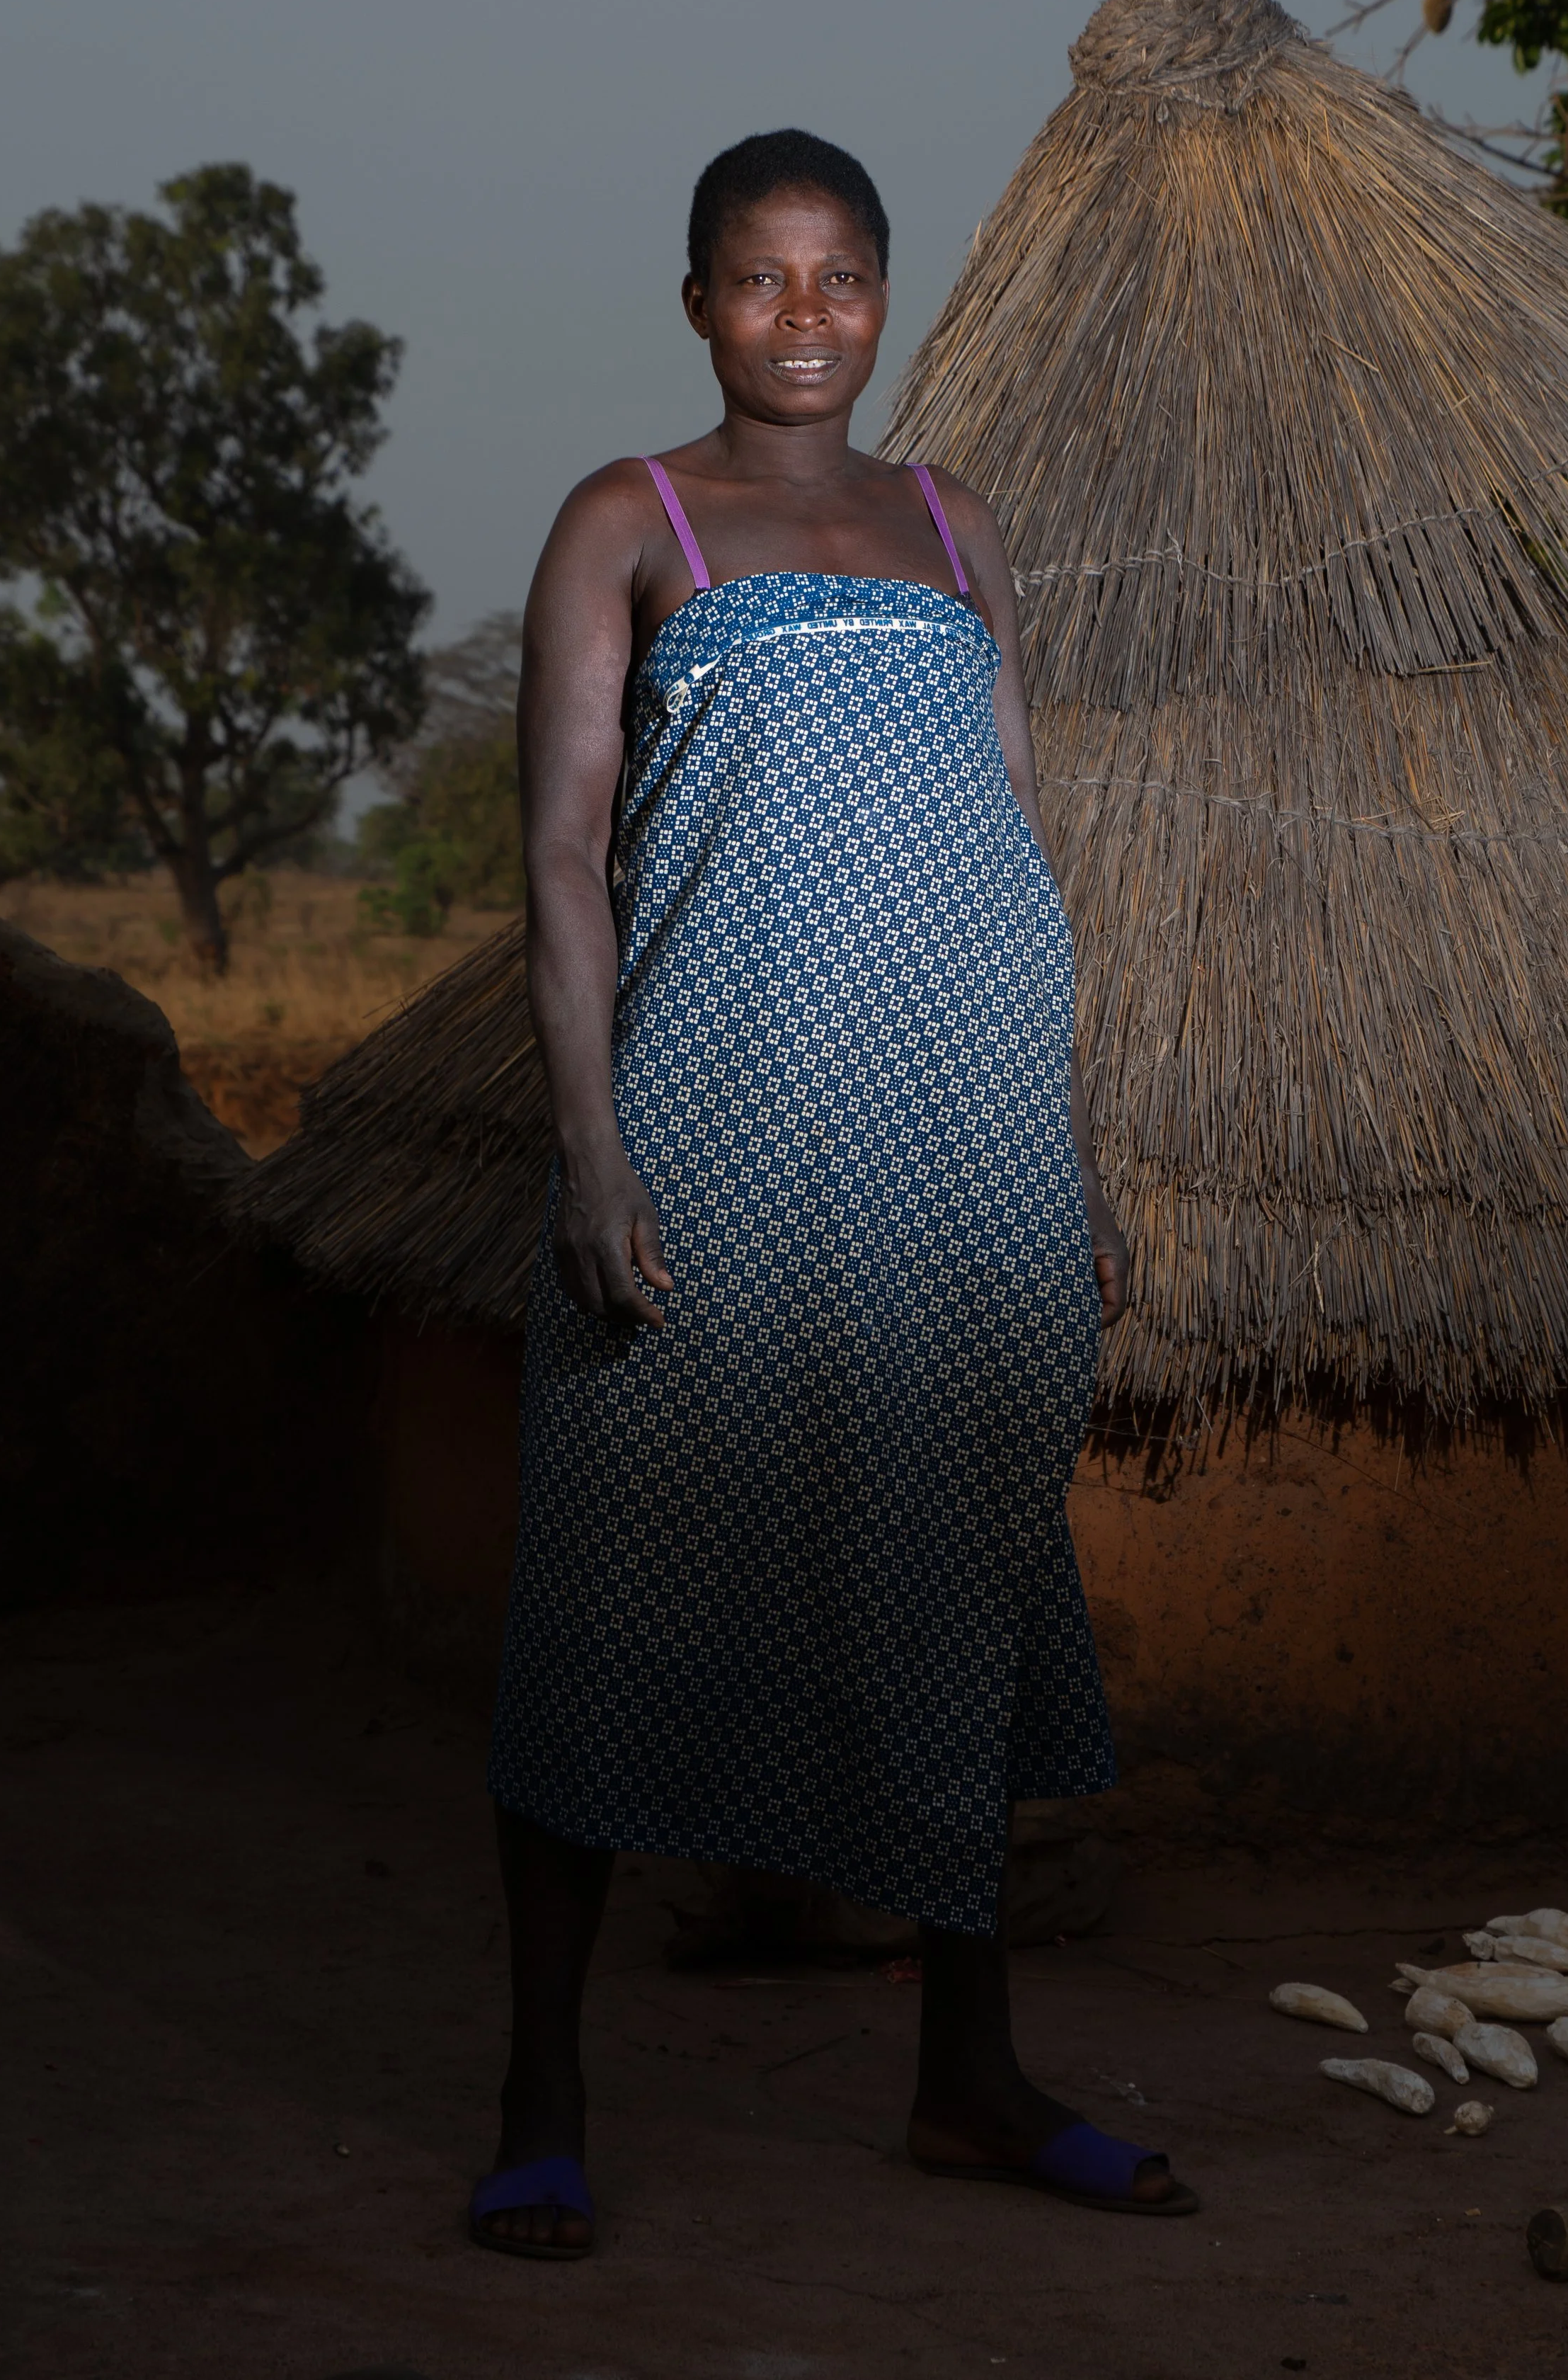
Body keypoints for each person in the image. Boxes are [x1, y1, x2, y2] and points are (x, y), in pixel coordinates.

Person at [471, 129, 1198, 2257]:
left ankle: (965, 2074)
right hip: (704, 1134)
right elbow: (557, 859)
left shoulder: (954, 520)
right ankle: (539, 2090)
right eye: (758, 278)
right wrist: (593, 1152)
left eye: (841, 277)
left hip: (954, 1151)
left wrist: (1062, 1154)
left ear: (890, 294)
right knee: (612, 1592)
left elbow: (1013, 856)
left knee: (958, 1579)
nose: (804, 317)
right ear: (695, 299)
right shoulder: (634, 515)